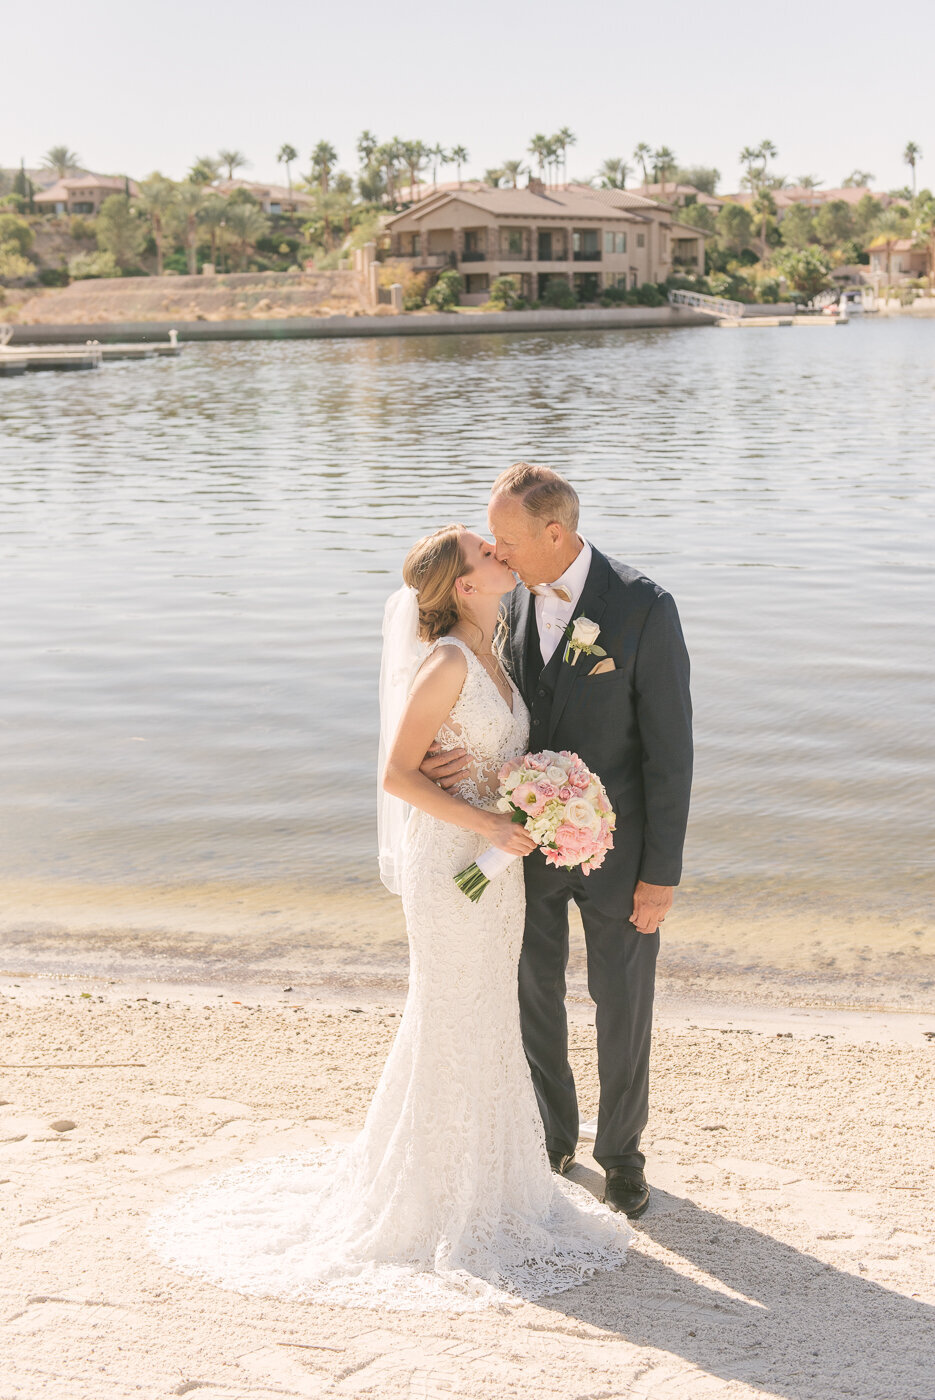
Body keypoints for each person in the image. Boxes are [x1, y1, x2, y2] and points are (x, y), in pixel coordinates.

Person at [147, 523, 632, 1312]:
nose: (499, 554)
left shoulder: (492, 657)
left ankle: (489, 1181)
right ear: (464, 585)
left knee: (484, 1014)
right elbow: (397, 777)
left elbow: (477, 761)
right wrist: (487, 824)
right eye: (486, 552)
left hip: (492, 861)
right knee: (450, 1012)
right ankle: (430, 1197)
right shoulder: (445, 662)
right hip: (450, 863)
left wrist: (538, 801)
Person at [422, 466, 693, 1219]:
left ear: (555, 533)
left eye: (507, 540)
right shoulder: (500, 602)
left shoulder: (642, 607)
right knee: (531, 993)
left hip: (622, 854)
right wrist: (437, 760)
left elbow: (670, 753)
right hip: (520, 848)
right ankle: (551, 1140)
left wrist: (659, 873)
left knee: (621, 1002)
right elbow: (464, 696)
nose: (497, 555)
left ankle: (622, 1157)